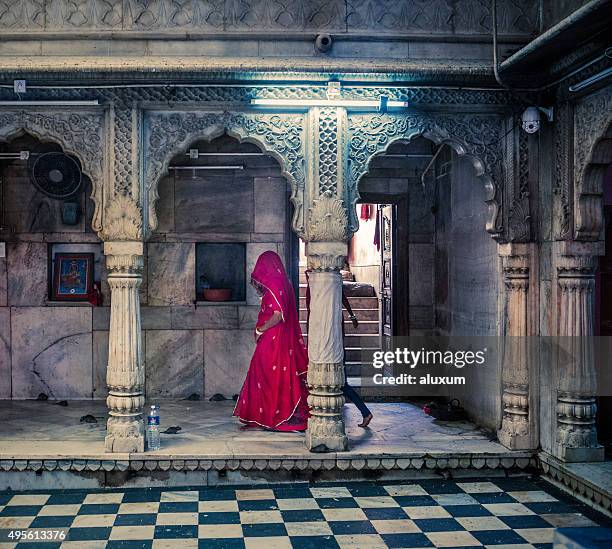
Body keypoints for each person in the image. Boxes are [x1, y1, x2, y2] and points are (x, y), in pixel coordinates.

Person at [233, 251, 309, 431]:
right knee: (273, 376)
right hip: (279, 339)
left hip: (274, 340)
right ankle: (271, 415)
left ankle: (274, 416)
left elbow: (278, 315)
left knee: (268, 376)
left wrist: (261, 329)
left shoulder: (275, 283)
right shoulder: (283, 282)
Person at [305, 270, 373, 428]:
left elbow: (340, 298)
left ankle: (365, 412)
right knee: (340, 382)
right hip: (327, 340)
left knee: (341, 383)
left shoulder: (326, 282)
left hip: (330, 342)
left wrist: (352, 315)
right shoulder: (321, 284)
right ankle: (365, 412)